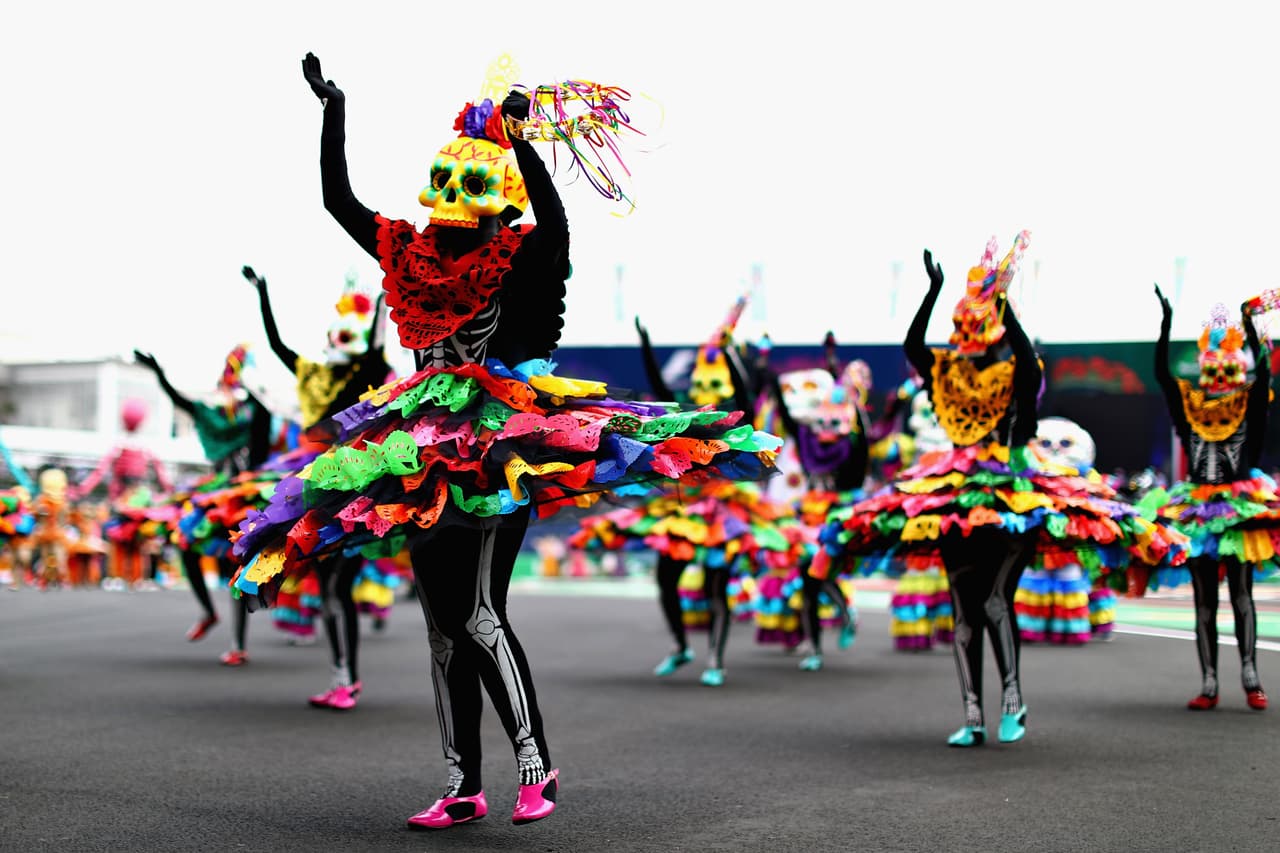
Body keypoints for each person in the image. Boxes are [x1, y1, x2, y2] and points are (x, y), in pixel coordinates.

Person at [230, 52, 777, 829]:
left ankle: (535, 764)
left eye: (470, 189)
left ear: (495, 198)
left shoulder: (520, 253)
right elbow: (336, 200)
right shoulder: (408, 254)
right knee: (441, 626)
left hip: (497, 441)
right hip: (414, 448)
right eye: (445, 186)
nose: (454, 202)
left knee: (482, 611)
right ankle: (461, 784)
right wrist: (334, 111)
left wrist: (520, 138)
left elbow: (555, 225)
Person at [814, 234, 1184, 746]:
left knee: (993, 602)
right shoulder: (946, 374)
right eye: (960, 324)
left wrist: (1004, 301)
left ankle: (1013, 699)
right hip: (950, 492)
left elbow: (1029, 361)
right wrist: (934, 291)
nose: (967, 332)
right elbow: (914, 348)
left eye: (977, 323)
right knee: (963, 611)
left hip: (1013, 493)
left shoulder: (1014, 374)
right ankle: (972, 717)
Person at [242, 264, 389, 704]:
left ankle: (345, 680)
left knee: (337, 585)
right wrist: (263, 292)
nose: (333, 344)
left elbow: (377, 345)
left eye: (344, 337)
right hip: (317, 482)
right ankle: (343, 678)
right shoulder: (311, 375)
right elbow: (275, 345)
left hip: (358, 481)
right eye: (333, 337)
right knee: (331, 586)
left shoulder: (365, 370)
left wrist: (383, 301)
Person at [1151, 287, 1273, 710]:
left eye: (1227, 373)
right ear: (1205, 372)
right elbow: (1164, 378)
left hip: (1237, 507)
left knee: (1241, 594)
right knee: (1204, 599)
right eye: (1212, 373)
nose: (1219, 382)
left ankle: (1251, 676)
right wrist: (1165, 324)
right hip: (1198, 509)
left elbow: (1265, 376)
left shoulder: (1248, 406)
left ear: (1236, 373)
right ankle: (1208, 683)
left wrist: (1253, 330)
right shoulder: (1190, 409)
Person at [135, 346, 275, 656]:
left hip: (247, 492)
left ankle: (238, 645)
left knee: (237, 564)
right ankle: (208, 613)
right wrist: (158, 371)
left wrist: (251, 385)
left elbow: (265, 421)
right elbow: (181, 401)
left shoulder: (257, 411)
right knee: (184, 541)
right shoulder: (213, 411)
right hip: (216, 493)